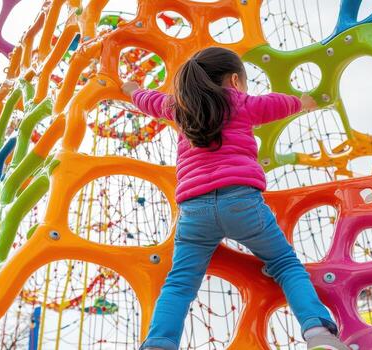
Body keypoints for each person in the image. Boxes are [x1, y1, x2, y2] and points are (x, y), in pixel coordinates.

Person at [122, 47, 349, 350]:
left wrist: (132, 89)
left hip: (194, 211)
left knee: (179, 284)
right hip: (242, 202)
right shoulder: (240, 103)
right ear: (235, 81)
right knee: (284, 263)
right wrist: (302, 103)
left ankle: (159, 344)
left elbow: (149, 101)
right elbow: (276, 105)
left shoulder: (179, 107)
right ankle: (319, 334)